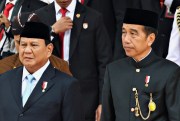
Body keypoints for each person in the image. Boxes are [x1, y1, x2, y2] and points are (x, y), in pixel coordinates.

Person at [34, 0, 112, 120]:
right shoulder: (39, 16)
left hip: (85, 99)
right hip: (48, 95)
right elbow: (33, 53)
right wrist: (52, 30)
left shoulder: (94, 17)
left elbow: (104, 62)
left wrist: (103, 102)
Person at [101, 8, 180, 121]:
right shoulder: (113, 70)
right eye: (124, 32)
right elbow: (107, 117)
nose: (126, 39)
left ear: (150, 39)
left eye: (133, 34)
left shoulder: (169, 72)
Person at [0, 21, 83, 121]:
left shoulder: (66, 85)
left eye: (34, 45)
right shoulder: (4, 80)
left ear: (49, 50)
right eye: (23, 45)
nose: (27, 50)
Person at [0, 12, 72, 75]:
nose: (27, 50)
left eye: (33, 44)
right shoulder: (4, 67)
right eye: (21, 43)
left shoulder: (60, 67)